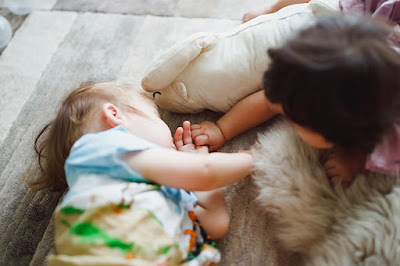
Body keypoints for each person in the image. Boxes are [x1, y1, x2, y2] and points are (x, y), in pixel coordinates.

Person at [30, 82, 253, 265]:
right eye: (156, 116)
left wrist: (195, 162)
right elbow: (206, 173)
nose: (165, 127)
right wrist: (253, 159)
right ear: (114, 116)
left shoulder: (165, 191)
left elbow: (216, 224)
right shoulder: (101, 147)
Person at [191, 16, 400, 186]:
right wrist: (222, 129)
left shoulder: (386, 139)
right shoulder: (303, 80)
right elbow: (267, 101)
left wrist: (356, 158)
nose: (277, 107)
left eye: (293, 120)